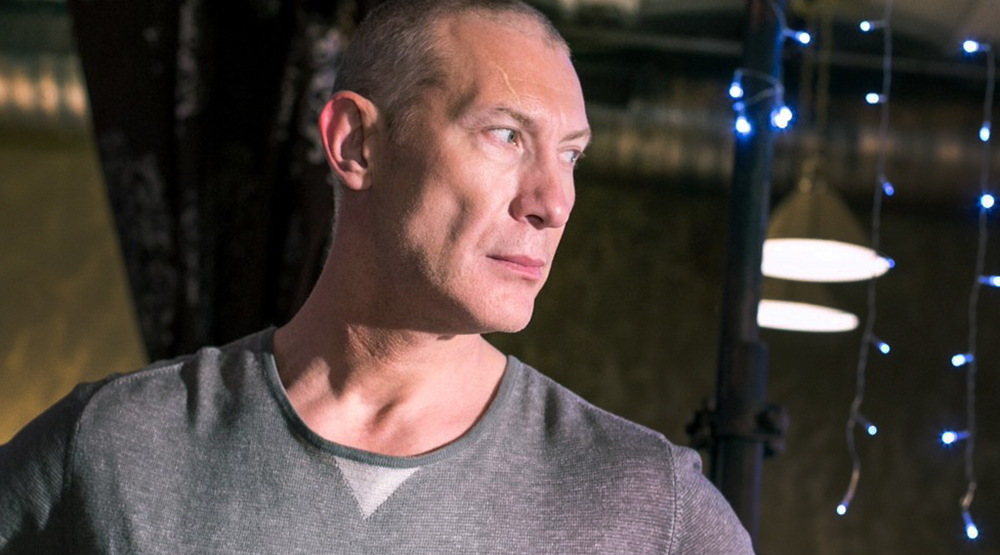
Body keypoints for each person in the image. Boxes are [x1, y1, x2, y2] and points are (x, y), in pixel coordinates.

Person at [0, 0, 753, 553]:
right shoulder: (116, 447)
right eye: (505, 135)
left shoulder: (649, 508)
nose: (553, 202)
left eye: (571, 155)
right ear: (356, 143)